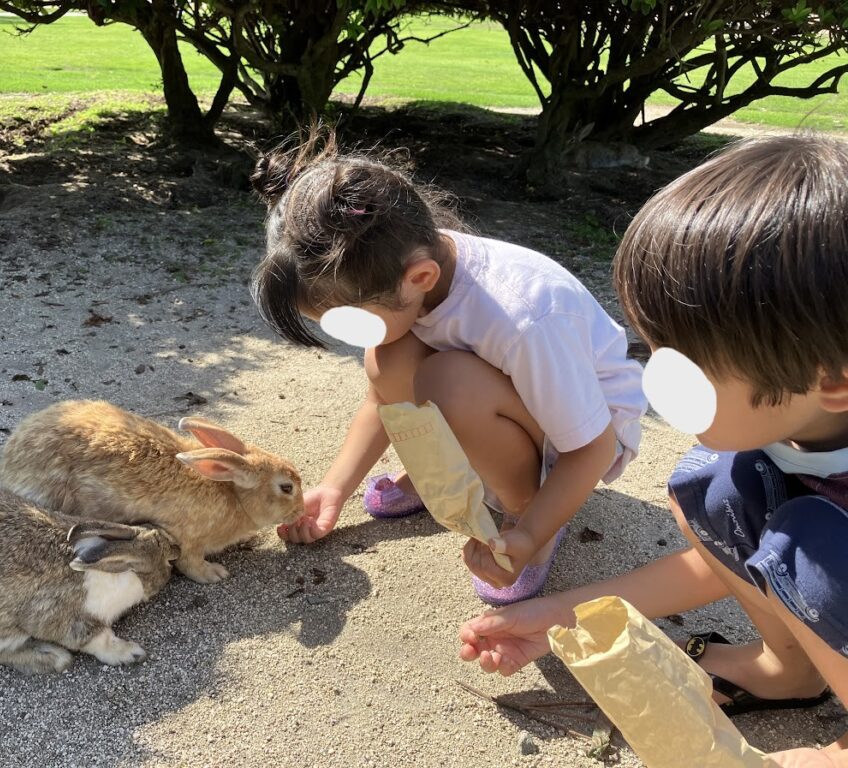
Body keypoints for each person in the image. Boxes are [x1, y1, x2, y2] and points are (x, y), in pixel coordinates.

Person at [458, 134, 848, 765]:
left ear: (831, 378)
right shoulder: (800, 416)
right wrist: (560, 615)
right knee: (717, 487)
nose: (658, 376)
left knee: (811, 546)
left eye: (688, 359)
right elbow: (720, 561)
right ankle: (790, 670)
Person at [249, 131, 646, 604]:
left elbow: (593, 448)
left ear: (420, 278)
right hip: (523, 399)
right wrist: (334, 488)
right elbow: (383, 396)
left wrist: (530, 533)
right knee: (389, 358)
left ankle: (526, 514)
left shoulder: (523, 316)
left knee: (450, 383)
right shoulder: (406, 266)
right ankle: (445, 473)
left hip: (585, 435)